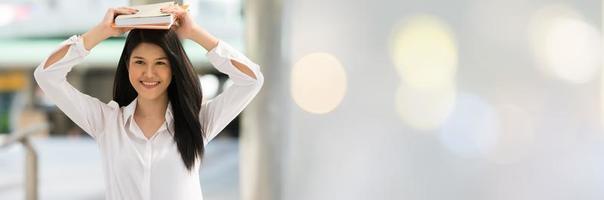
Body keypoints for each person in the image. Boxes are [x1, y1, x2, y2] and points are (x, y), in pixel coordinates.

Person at [33, 5, 263, 200]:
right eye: (140, 62)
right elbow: (46, 75)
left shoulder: (198, 121)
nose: (149, 73)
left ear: (174, 68)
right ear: (127, 65)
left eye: (161, 63)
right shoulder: (107, 122)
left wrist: (195, 33)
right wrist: (101, 31)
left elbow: (251, 80)